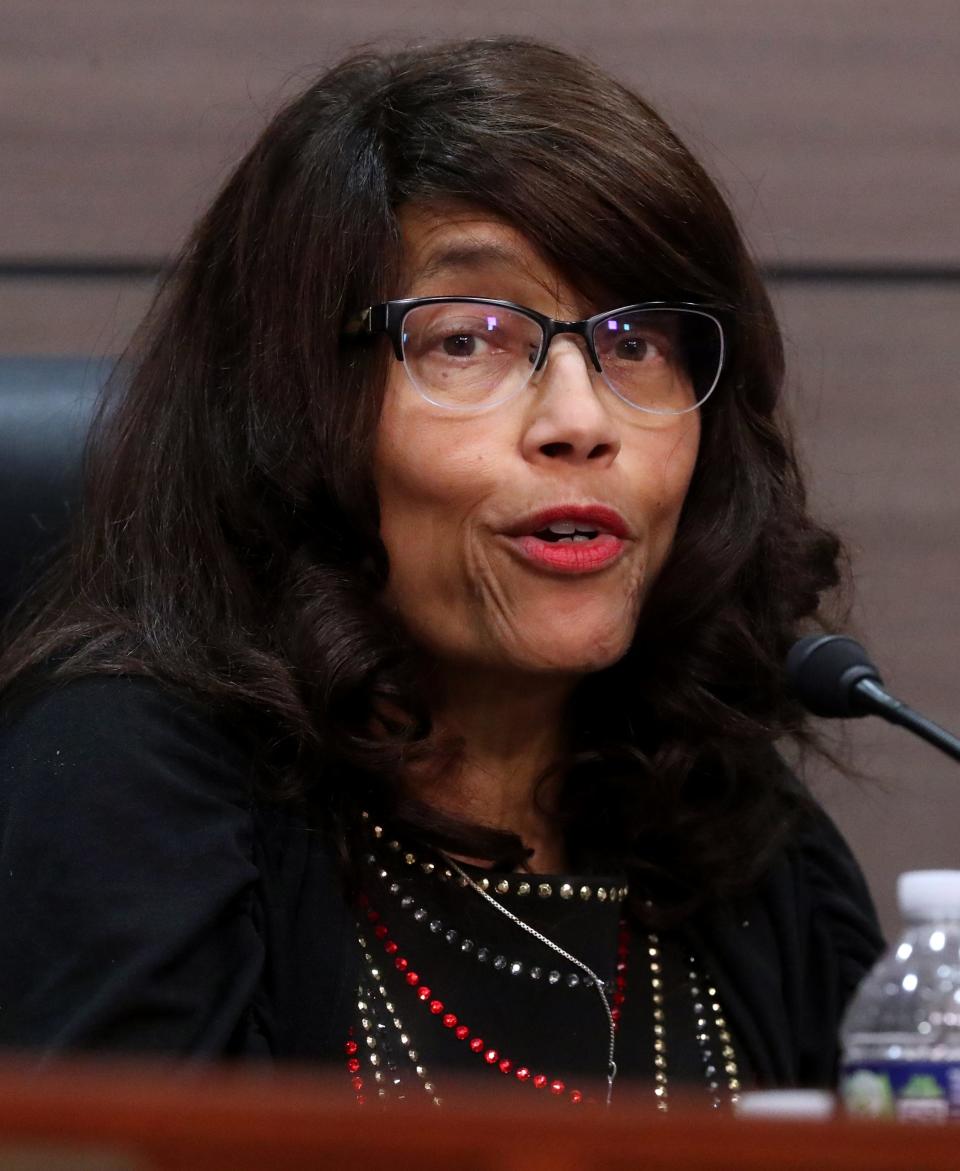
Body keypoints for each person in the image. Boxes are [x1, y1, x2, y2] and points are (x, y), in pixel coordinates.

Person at [0, 37, 882, 1108]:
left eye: (637, 341)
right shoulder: (131, 786)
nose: (580, 422)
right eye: (469, 340)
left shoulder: (749, 844)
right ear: (292, 409)